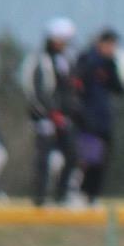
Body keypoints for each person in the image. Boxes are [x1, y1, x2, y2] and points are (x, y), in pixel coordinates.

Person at [22, 16, 79, 207]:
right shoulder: (40, 60)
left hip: (63, 118)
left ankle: (62, 196)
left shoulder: (66, 60)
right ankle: (40, 198)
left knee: (72, 154)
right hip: (44, 118)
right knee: (43, 158)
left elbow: (67, 88)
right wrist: (49, 113)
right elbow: (37, 90)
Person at [70, 28, 124, 203]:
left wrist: (111, 67)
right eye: (109, 45)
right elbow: (77, 85)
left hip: (104, 118)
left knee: (102, 159)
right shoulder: (87, 59)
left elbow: (119, 89)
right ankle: (80, 192)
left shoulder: (110, 63)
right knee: (88, 157)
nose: (111, 49)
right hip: (88, 118)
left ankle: (93, 195)